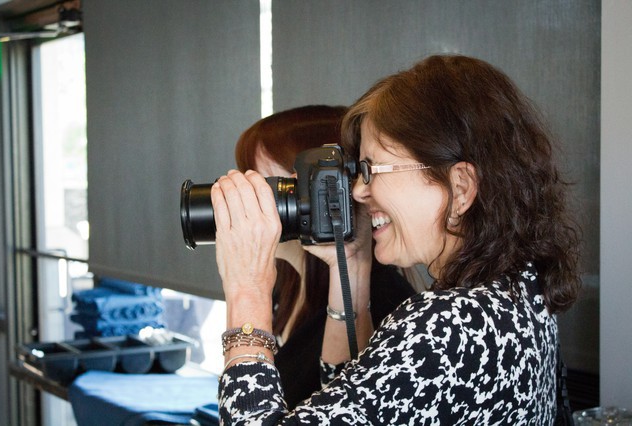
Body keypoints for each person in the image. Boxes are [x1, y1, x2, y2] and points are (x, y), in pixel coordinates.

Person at [210, 55, 581, 424]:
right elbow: (351, 404)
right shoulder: (516, 293)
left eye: (371, 170)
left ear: (460, 187)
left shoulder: (448, 326)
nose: (357, 191)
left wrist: (247, 290)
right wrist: (352, 267)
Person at [233, 105, 417, 408]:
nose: (248, 204)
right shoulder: (286, 287)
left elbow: (346, 408)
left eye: (263, 186)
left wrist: (243, 286)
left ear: (326, 192)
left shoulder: (386, 306)